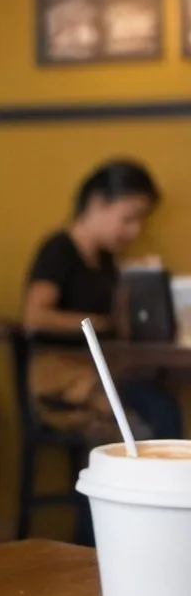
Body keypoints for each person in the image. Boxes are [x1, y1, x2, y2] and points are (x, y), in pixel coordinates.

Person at [23, 159, 183, 543]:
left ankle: (158, 533)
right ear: (97, 204)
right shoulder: (59, 250)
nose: (135, 230)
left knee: (163, 409)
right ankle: (102, 543)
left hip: (102, 377)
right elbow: (34, 316)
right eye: (129, 217)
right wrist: (99, 322)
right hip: (63, 382)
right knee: (131, 433)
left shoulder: (108, 261)